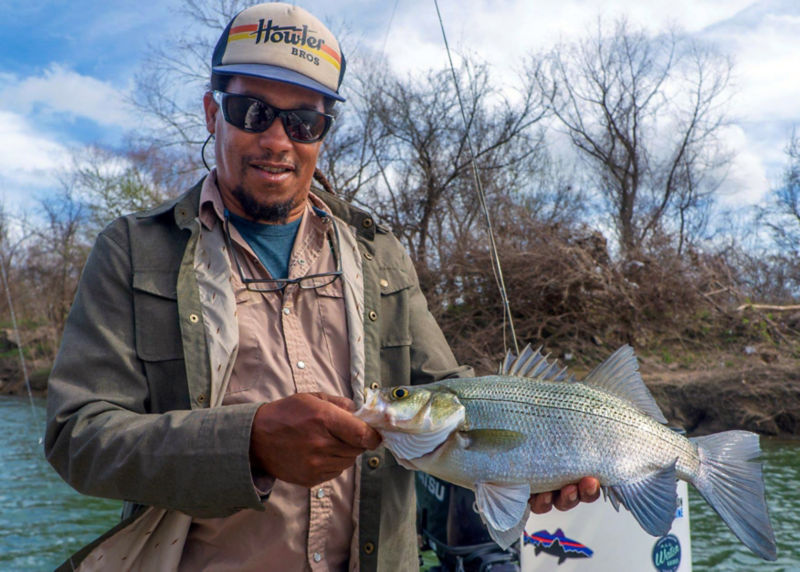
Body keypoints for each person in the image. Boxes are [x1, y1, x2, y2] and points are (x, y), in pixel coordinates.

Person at [44, 3, 599, 571]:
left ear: (323, 132)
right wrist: (249, 442)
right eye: (252, 111)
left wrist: (527, 456)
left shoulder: (380, 251)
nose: (278, 140)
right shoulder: (133, 250)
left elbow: (446, 392)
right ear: (213, 112)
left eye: (303, 121)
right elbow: (78, 436)